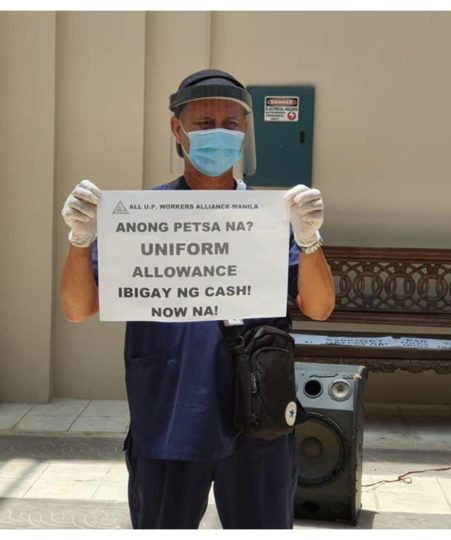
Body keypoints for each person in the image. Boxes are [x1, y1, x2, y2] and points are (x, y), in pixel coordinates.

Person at [59, 69, 335, 529]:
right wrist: (80, 238)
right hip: (170, 409)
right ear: (177, 130)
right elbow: (78, 307)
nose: (218, 134)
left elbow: (319, 306)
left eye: (230, 124)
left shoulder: (268, 218)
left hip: (258, 410)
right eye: (204, 123)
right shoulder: (141, 217)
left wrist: (308, 240)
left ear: (245, 131)